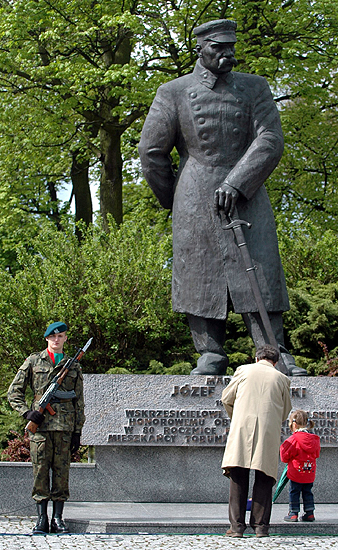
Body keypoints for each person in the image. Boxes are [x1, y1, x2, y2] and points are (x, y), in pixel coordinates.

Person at [138, 19, 307, 377]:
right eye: (219, 48)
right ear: (200, 48)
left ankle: (274, 350)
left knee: (261, 268)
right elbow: (151, 152)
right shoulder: (174, 91)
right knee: (199, 273)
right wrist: (177, 202)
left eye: (231, 47)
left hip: (248, 190)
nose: (228, 54)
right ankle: (210, 353)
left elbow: (270, 140)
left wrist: (238, 182)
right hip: (195, 195)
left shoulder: (254, 88)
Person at [7, 322, 85, 534]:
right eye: (53, 336)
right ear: (47, 339)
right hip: (40, 429)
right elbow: (13, 392)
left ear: (66, 338)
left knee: (61, 474)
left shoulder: (73, 365)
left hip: (64, 429)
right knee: (40, 472)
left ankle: (58, 519)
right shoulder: (33, 361)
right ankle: (42, 519)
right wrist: (27, 413)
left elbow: (78, 401)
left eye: (61, 336)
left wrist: (78, 431)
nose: (57, 339)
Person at [221, 344, 291, 537]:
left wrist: (237, 417)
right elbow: (285, 411)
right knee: (264, 478)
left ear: (256, 358)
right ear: (275, 362)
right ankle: (261, 527)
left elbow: (226, 398)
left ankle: (236, 528)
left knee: (238, 478)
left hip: (242, 429)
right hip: (268, 432)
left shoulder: (243, 371)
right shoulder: (282, 378)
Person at [280, 409, 320, 522]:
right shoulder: (314, 439)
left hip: (296, 472)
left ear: (294, 424)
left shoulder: (293, 439)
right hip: (309, 472)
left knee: (294, 491)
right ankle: (310, 512)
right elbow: (316, 454)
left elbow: (284, 456)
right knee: (308, 491)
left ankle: (293, 513)